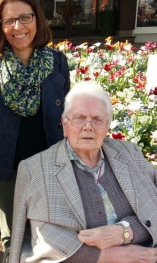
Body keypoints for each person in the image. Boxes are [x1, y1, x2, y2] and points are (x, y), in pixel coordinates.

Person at [10, 81, 157, 263]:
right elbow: (46, 239)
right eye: (79, 118)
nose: (88, 126)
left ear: (108, 126)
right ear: (64, 125)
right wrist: (109, 256)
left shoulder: (130, 154)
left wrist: (124, 232)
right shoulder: (35, 170)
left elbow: (154, 208)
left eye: (97, 119)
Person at [0, 0, 70, 261]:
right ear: (0, 25)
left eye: (25, 17)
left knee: (51, 240)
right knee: (14, 244)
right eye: (9, 20)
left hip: (50, 167)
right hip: (6, 170)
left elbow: (68, 116)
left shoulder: (57, 63)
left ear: (37, 19)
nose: (18, 27)